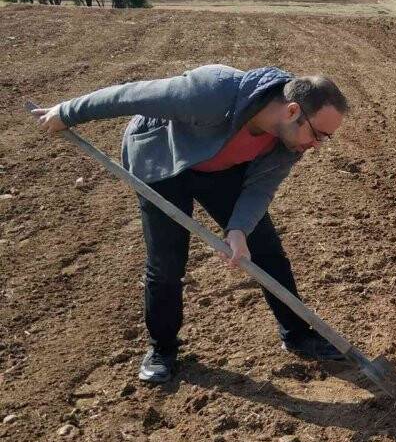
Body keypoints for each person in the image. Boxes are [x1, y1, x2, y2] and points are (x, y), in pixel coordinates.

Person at [32, 64, 350, 384]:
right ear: (292, 110)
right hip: (163, 162)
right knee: (167, 263)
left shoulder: (289, 142)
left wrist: (238, 230)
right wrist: (67, 112)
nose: (317, 145)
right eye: (318, 134)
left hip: (219, 169)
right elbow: (130, 96)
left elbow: (260, 188)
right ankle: (162, 349)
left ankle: (297, 333)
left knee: (265, 249)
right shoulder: (212, 93)